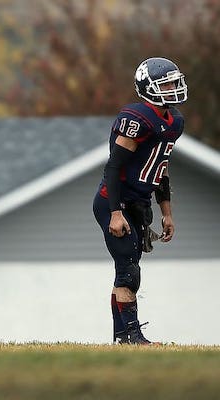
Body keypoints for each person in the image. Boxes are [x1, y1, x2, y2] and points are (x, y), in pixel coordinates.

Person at [93, 57, 187, 345]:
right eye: (166, 84)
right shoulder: (137, 118)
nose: (173, 88)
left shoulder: (174, 122)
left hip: (138, 202)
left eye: (174, 82)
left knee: (127, 267)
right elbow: (113, 167)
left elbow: (161, 169)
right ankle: (132, 336)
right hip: (115, 201)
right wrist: (116, 212)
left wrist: (166, 213)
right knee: (128, 271)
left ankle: (122, 337)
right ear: (148, 88)